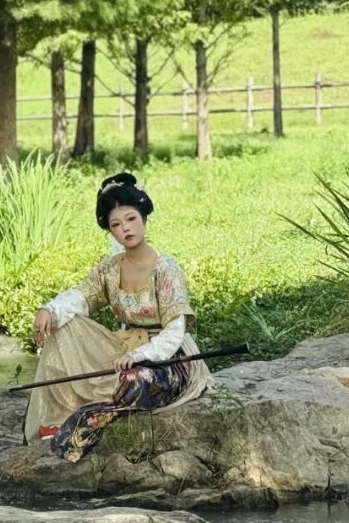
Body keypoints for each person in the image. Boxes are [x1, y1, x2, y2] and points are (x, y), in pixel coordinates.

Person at [23, 172, 210, 460]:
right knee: (64, 325)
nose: (126, 228)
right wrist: (49, 310)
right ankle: (59, 415)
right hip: (126, 347)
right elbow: (82, 296)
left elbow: (175, 331)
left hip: (168, 356)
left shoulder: (166, 270)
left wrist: (140, 355)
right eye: (116, 224)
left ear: (144, 218)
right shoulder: (110, 268)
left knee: (136, 380)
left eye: (131, 219)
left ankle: (93, 415)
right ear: (110, 231)